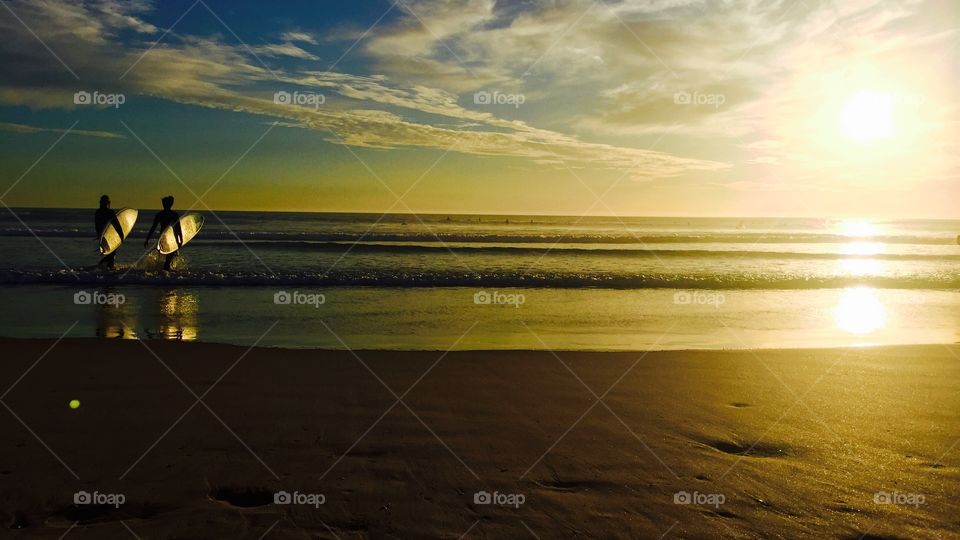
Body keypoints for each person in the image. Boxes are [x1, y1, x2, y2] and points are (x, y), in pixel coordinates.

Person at [143, 195, 182, 270]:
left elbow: (178, 228)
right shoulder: (170, 214)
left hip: (171, 238)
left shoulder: (162, 214)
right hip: (165, 239)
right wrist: (180, 239)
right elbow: (153, 227)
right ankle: (166, 271)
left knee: (171, 257)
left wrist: (180, 239)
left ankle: (165, 270)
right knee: (169, 258)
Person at [95, 195, 124, 269]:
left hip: (104, 237)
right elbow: (116, 225)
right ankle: (104, 266)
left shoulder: (97, 212)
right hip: (110, 237)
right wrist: (121, 236)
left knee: (111, 254)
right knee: (111, 254)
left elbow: (97, 227)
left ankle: (106, 267)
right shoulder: (109, 212)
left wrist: (99, 239)